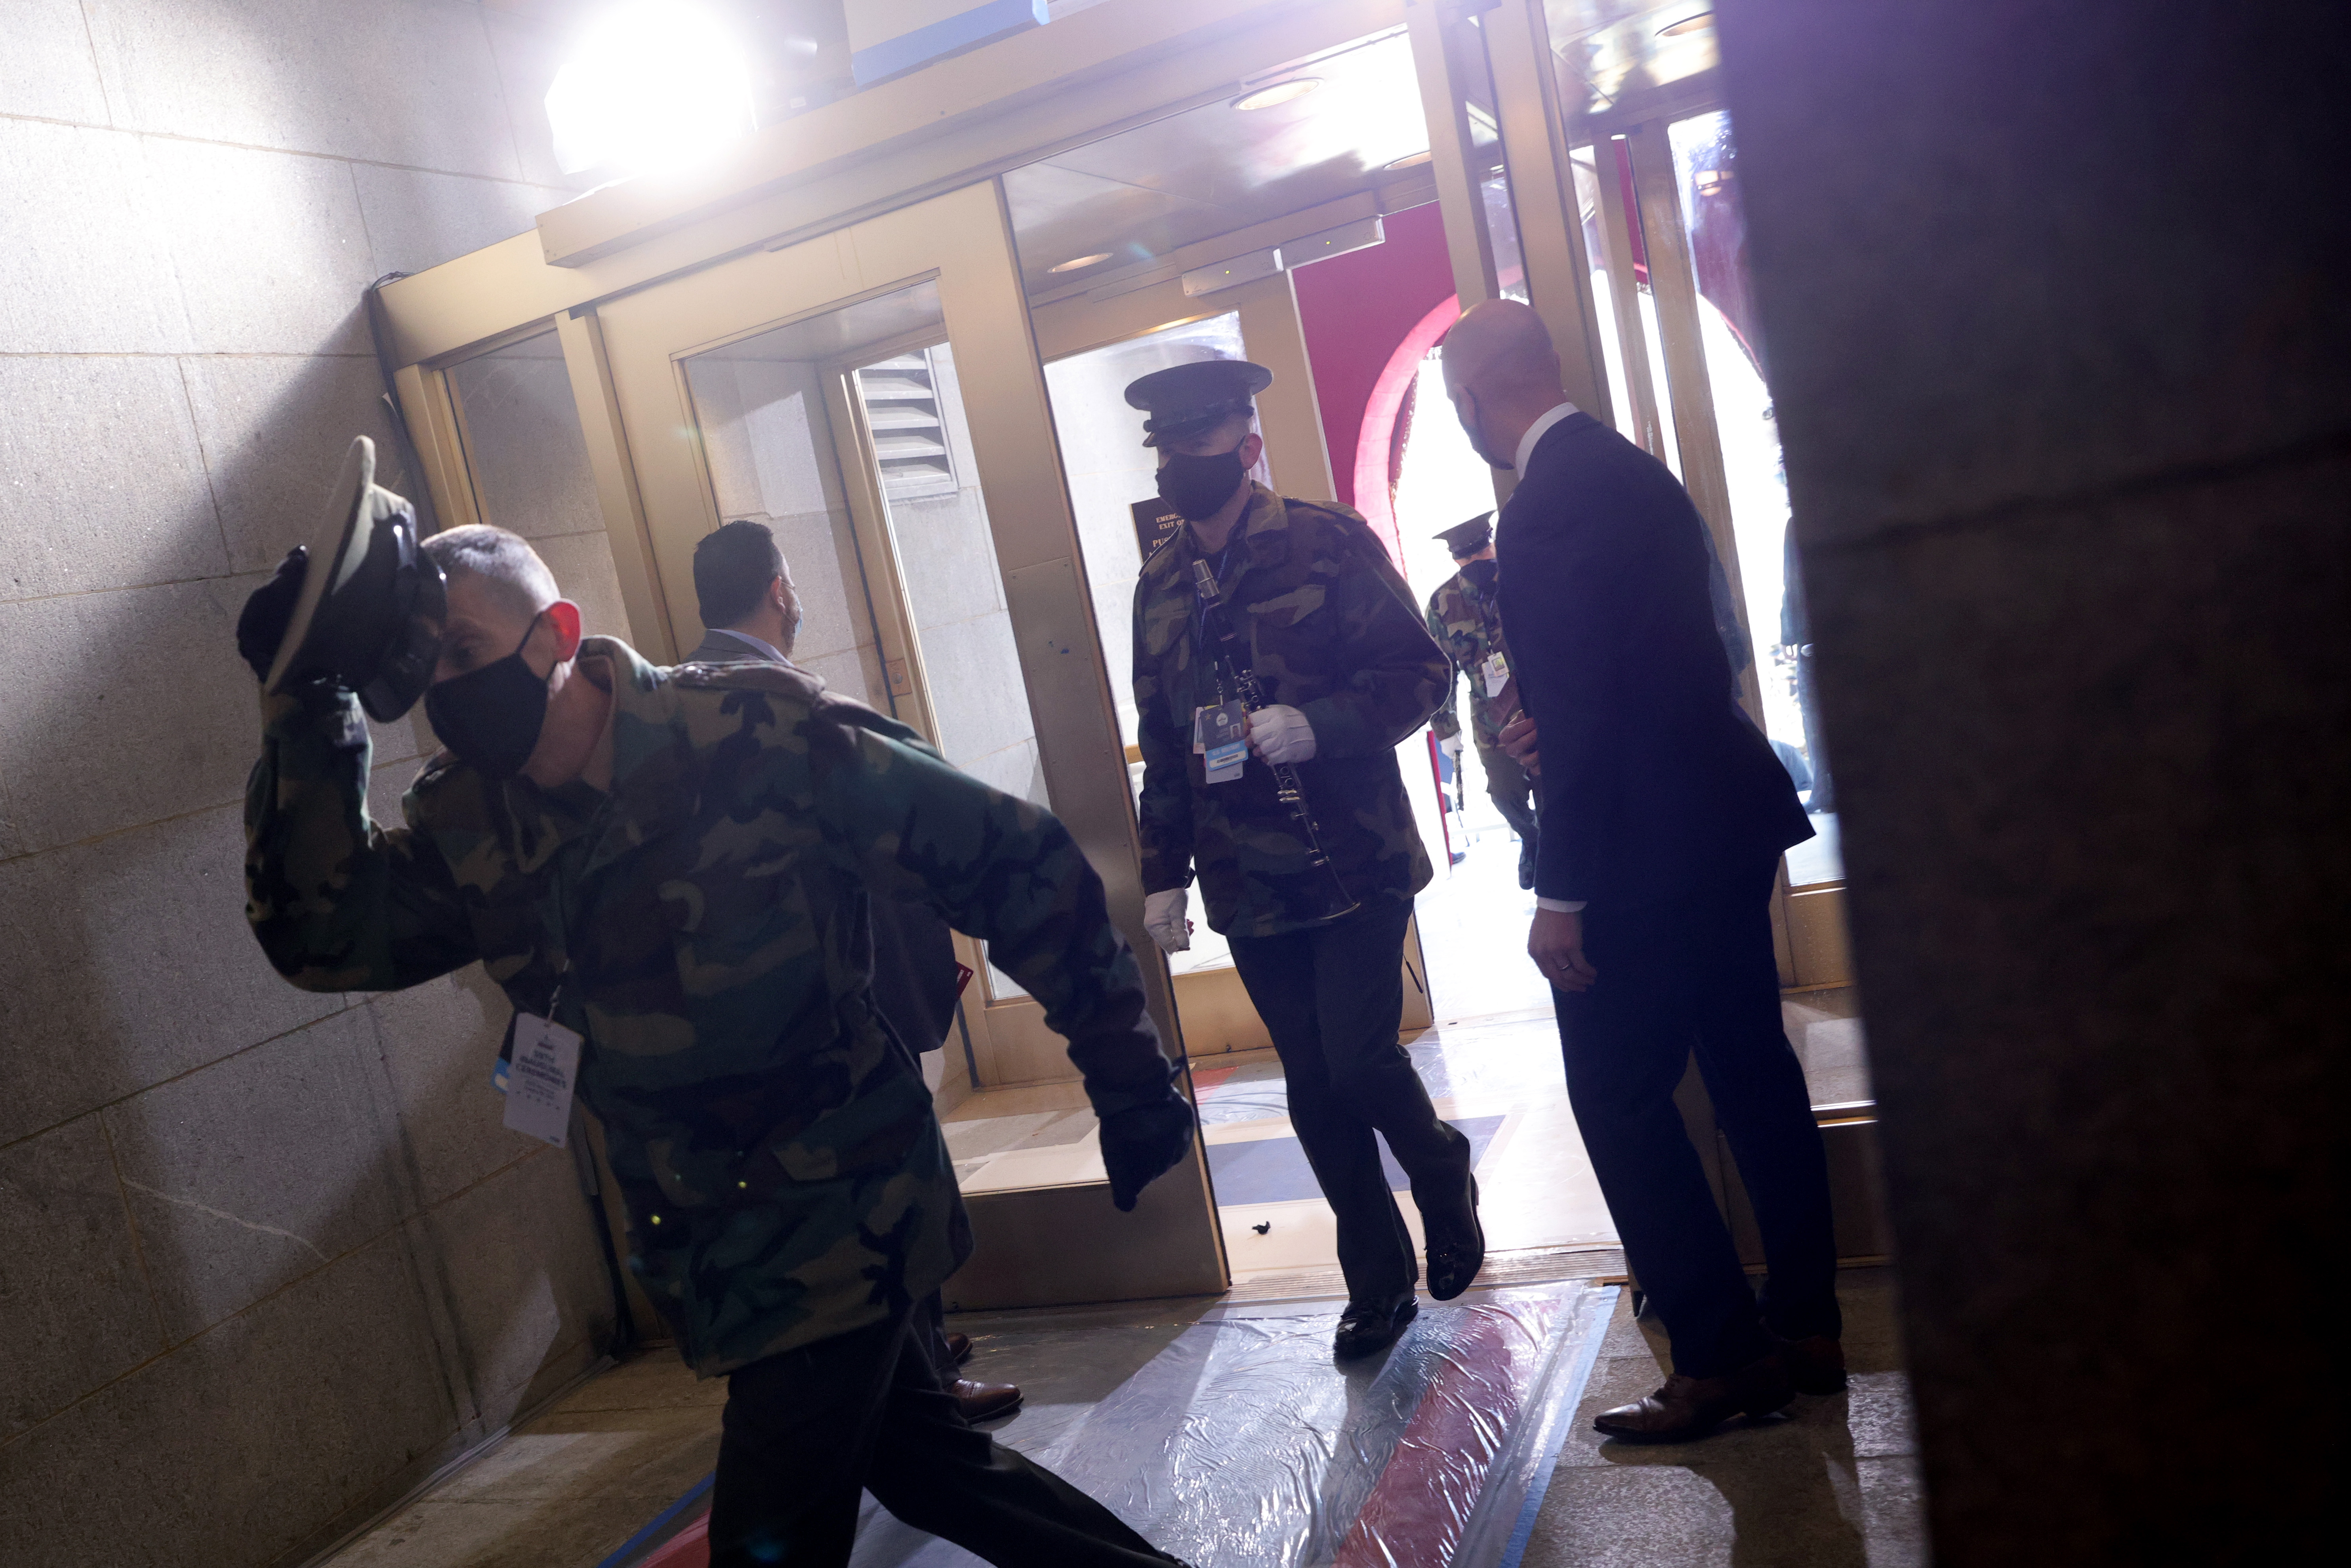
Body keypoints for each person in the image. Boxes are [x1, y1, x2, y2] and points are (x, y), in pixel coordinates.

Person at [238, 520, 1197, 1567]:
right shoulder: (471, 818)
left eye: (467, 652)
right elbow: (326, 934)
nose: (448, 692)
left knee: (768, 1544)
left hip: (843, 1214)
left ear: (556, 631)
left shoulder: (757, 730)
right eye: (429, 669)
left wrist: (1123, 1066)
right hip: (707, 1243)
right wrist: (308, 700)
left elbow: (1013, 861)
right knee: (927, 1464)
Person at [1441, 299, 1842, 1442]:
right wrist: (1553, 725)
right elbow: (1659, 662)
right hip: (1715, 822)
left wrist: (1555, 889)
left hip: (1635, 852)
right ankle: (1805, 1324)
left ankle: (1719, 1356)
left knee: (1616, 1094)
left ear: (1476, 397)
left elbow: (1581, 702)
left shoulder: (1542, 505)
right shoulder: (1627, 471)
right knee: (1751, 1071)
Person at [1124, 357, 1483, 1358]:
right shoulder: (1158, 583)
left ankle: (1439, 1166)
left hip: (1350, 854)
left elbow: (1419, 671)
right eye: (1167, 455)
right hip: (1245, 874)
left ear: (1243, 449)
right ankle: (1375, 1281)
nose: (1179, 473)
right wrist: (1164, 871)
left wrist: (1317, 724)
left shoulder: (1324, 540)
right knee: (1312, 1082)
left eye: (1197, 452)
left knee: (1361, 1057)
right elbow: (1164, 741)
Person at [688, 518, 1021, 1425]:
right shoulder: (787, 705)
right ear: (780, 591)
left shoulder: (670, 711)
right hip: (824, 1007)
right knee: (888, 1185)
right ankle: (918, 1373)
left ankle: (912, 1349)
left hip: (743, 1023)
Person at [1424, 513, 1542, 890]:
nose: (1476, 561)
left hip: (1544, 711)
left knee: (1554, 793)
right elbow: (1439, 673)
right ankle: (1532, 838)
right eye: (1467, 556)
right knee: (1504, 795)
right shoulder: (1443, 602)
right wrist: (1446, 731)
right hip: (1492, 721)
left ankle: (1557, 863)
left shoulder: (1522, 578)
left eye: (1480, 551)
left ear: (1491, 543)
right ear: (1456, 559)